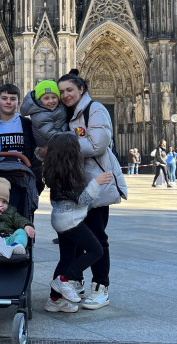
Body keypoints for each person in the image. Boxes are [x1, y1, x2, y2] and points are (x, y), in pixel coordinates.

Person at [55, 69, 127, 309]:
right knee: (73, 239)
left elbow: (98, 144)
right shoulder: (66, 113)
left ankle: (101, 287)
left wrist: (62, 147)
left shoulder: (96, 109)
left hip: (97, 182)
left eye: (70, 90)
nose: (65, 95)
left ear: (81, 89)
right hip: (73, 184)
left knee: (97, 237)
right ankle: (76, 281)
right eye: (62, 91)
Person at [42, 133, 113, 312]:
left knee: (66, 258)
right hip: (71, 222)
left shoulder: (55, 172)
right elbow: (83, 199)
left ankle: (55, 300)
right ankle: (65, 279)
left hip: (59, 220)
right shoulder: (68, 176)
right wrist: (96, 182)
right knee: (96, 250)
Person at [0, 83, 44, 194]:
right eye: (4, 98)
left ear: (18, 103)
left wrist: (36, 181)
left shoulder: (26, 124)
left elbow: (34, 154)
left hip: (21, 176)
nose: (8, 102)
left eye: (12, 99)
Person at [20, 80, 67, 147]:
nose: (51, 101)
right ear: (39, 101)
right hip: (52, 148)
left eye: (54, 97)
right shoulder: (39, 116)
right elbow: (51, 135)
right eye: (46, 98)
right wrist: (72, 134)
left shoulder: (57, 108)